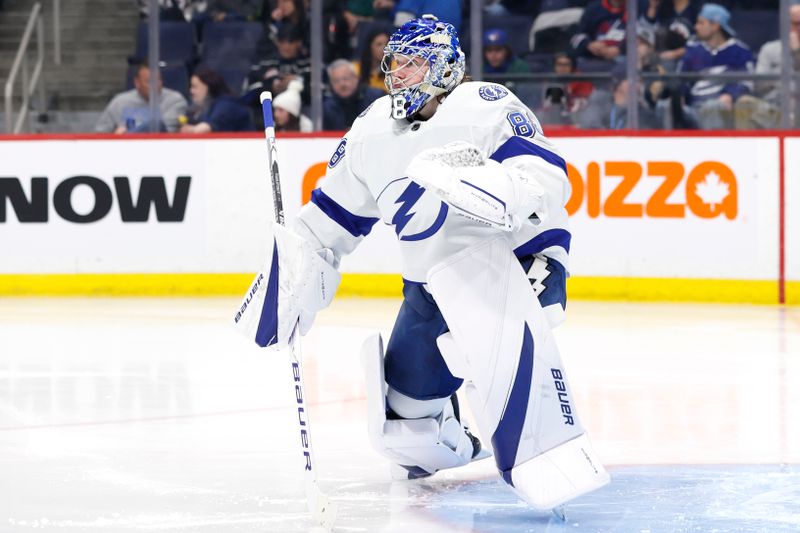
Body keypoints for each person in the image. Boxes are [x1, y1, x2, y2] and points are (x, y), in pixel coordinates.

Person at [235, 15, 609, 512]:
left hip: (512, 261)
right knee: (406, 436)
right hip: (429, 290)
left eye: (413, 63)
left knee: (494, 353)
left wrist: (492, 189)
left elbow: (547, 177)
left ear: (444, 65)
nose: (399, 74)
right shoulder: (371, 130)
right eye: (395, 64)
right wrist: (293, 272)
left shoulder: (485, 104)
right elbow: (329, 220)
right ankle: (458, 436)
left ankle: (546, 447)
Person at [677, 3, 754, 130]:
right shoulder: (693, 50)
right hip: (693, 108)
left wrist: (730, 95)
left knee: (712, 107)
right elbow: (681, 79)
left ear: (715, 26)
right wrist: (679, 96)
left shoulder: (740, 51)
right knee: (665, 106)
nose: (696, 27)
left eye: (701, 23)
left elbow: (747, 82)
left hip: (722, 110)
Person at [95, 63, 188, 134]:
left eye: (158, 80)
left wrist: (126, 135)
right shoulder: (119, 102)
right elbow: (100, 133)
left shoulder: (175, 101)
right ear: (137, 83)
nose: (155, 85)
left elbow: (163, 130)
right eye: (149, 81)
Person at [180, 68, 253, 133]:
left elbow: (205, 129)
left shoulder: (227, 104)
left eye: (195, 86)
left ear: (208, 86)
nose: (191, 91)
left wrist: (191, 130)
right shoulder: (206, 107)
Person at [322, 59, 384, 130]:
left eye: (345, 78)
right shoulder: (327, 108)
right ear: (331, 84)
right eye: (336, 81)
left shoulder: (377, 99)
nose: (342, 84)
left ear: (356, 78)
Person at [354, 27, 392, 93]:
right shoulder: (355, 69)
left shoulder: (396, 69)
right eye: (379, 44)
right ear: (369, 47)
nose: (384, 49)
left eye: (386, 44)